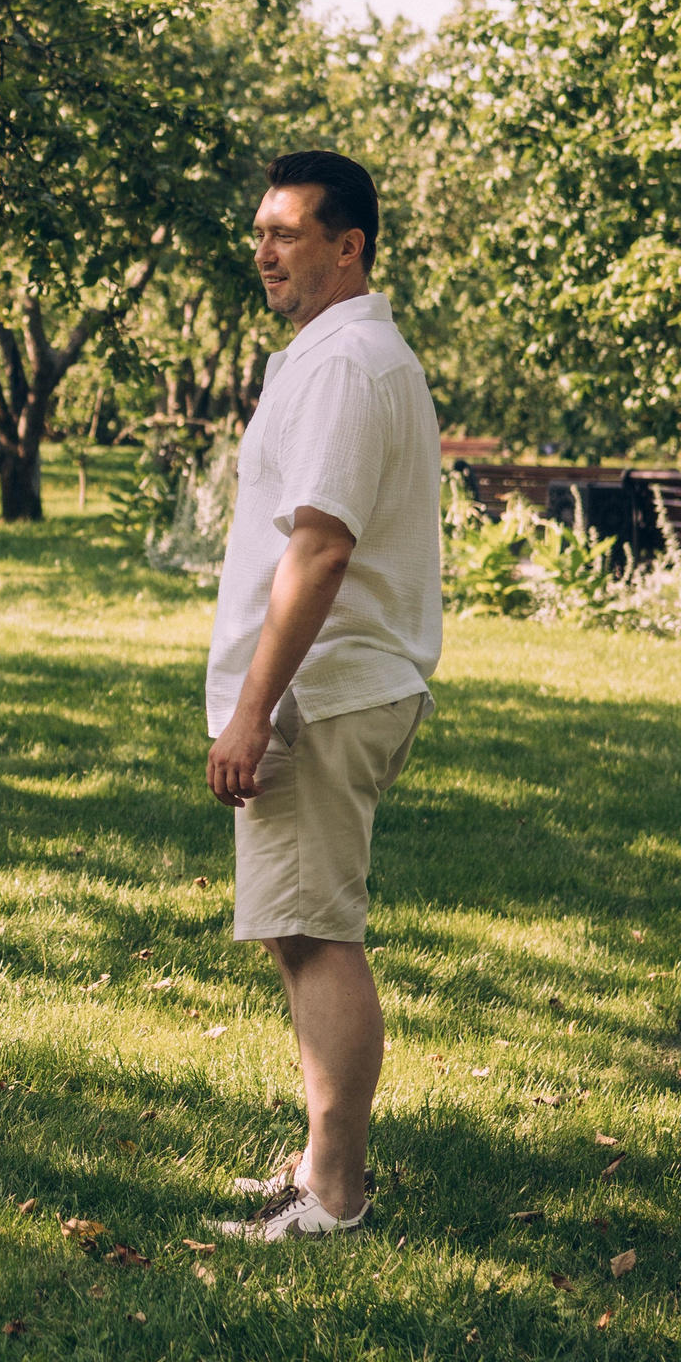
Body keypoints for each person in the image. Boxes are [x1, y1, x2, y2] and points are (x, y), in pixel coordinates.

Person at [206, 150, 441, 1241]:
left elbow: (323, 545)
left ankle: (334, 1195)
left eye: (287, 232)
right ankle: (316, 1164)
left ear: (349, 246)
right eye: (259, 231)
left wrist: (256, 708)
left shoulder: (349, 363)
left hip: (322, 690)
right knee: (299, 930)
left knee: (315, 933)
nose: (264, 251)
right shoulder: (326, 354)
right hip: (324, 685)